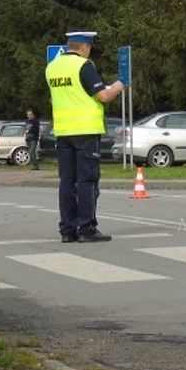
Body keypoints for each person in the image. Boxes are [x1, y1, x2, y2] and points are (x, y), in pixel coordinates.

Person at [45, 30, 125, 243]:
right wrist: (119, 85)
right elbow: (104, 95)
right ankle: (86, 228)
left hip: (63, 132)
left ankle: (67, 230)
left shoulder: (52, 67)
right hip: (86, 131)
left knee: (67, 182)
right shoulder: (84, 66)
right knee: (87, 181)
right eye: (90, 48)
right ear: (84, 47)